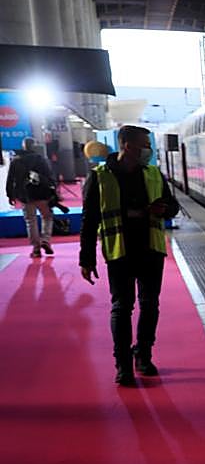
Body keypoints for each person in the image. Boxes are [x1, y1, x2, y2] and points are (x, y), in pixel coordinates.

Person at [79, 125, 180, 386]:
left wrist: (163, 209)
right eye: (145, 144)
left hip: (151, 250)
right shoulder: (99, 177)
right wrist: (86, 258)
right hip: (120, 252)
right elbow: (89, 220)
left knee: (150, 305)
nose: (149, 149)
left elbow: (173, 207)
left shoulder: (154, 174)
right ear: (127, 146)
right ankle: (122, 364)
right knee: (122, 308)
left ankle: (143, 355)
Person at [6, 137, 57, 258]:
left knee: (31, 221)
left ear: (23, 146)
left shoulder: (16, 161)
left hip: (25, 195)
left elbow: (10, 180)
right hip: (42, 194)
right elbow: (49, 176)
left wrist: (10, 195)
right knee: (47, 217)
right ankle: (45, 239)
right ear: (34, 146)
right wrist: (53, 190)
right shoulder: (40, 159)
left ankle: (36, 248)